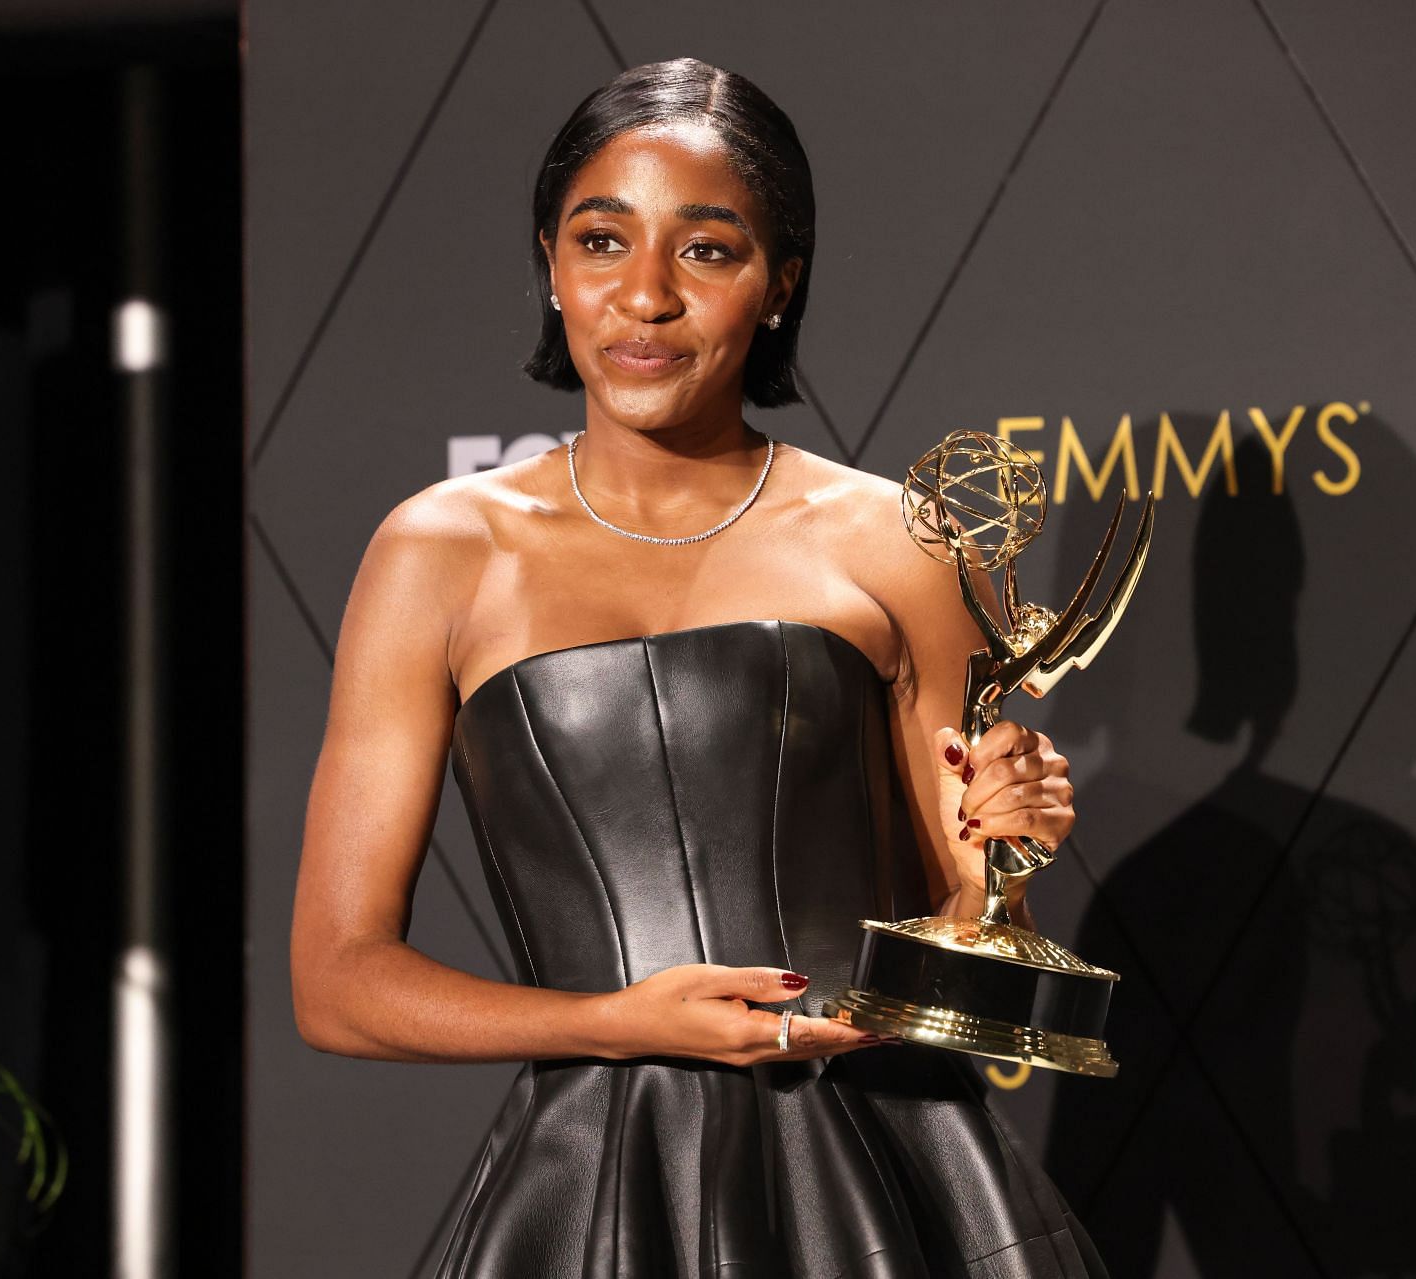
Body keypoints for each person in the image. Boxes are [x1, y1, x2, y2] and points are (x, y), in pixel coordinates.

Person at [289, 56, 1109, 1278]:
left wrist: (1004, 863)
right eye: (602, 240)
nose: (646, 297)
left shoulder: (898, 539)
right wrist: (614, 1024)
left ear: (779, 284)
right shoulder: (437, 554)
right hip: (592, 1198)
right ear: (551, 268)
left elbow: (974, 953)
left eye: (709, 250)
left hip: (888, 1181)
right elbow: (339, 983)